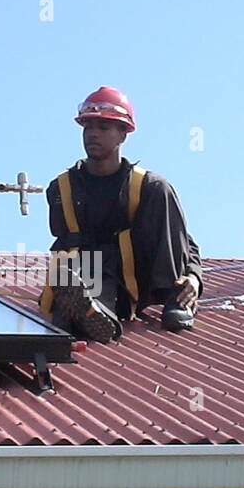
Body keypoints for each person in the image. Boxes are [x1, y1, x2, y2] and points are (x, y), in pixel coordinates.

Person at [40, 86, 202, 342]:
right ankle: (89, 314)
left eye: (103, 128)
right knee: (79, 291)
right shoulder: (61, 189)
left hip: (140, 274)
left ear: (123, 135)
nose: (93, 134)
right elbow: (63, 244)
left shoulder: (148, 187)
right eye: (88, 127)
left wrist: (194, 276)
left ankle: (177, 300)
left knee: (161, 189)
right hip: (91, 272)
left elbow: (180, 238)